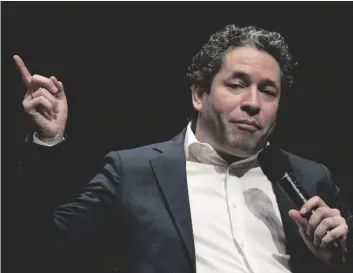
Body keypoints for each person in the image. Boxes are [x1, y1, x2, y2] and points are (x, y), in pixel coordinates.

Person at [14, 25, 352, 273]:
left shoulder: (309, 178)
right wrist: (48, 143)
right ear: (199, 95)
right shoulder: (133, 171)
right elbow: (44, 247)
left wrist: (339, 257)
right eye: (237, 85)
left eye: (268, 92)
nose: (253, 103)